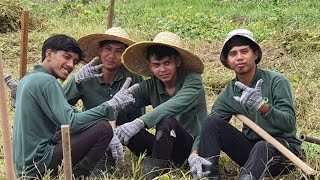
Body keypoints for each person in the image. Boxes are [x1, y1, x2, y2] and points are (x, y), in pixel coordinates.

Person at [13, 34, 137, 178]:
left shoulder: (29, 78)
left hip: (25, 164)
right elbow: (72, 122)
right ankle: (77, 176)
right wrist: (110, 105)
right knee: (103, 129)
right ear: (49, 54)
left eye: (75, 61)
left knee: (96, 124)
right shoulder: (47, 82)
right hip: (39, 163)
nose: (71, 65)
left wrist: (76, 82)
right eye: (66, 57)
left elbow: (64, 110)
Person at [194, 29, 302, 180]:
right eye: (233, 54)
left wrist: (263, 107)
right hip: (252, 153)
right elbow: (210, 126)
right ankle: (207, 175)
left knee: (262, 146)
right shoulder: (230, 92)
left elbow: (289, 124)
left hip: (284, 152)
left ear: (256, 54)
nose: (239, 57)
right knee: (212, 122)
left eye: (244, 51)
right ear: (227, 61)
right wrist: (194, 153)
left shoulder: (276, 81)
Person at [115, 32, 208, 179]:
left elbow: (174, 105)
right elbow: (121, 106)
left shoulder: (193, 80)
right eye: (156, 65)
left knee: (166, 120)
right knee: (119, 116)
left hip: (191, 151)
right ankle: (106, 161)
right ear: (150, 66)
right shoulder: (151, 85)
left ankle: (153, 175)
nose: (162, 70)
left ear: (177, 61)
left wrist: (140, 122)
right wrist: (114, 119)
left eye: (167, 63)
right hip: (163, 146)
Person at [62, 27, 146, 171]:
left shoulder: (134, 78)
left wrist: (121, 129)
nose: (111, 55)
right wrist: (75, 80)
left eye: (118, 51)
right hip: (92, 131)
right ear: (100, 51)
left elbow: (138, 115)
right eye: (108, 49)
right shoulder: (87, 75)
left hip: (123, 131)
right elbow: (60, 103)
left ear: (125, 55)